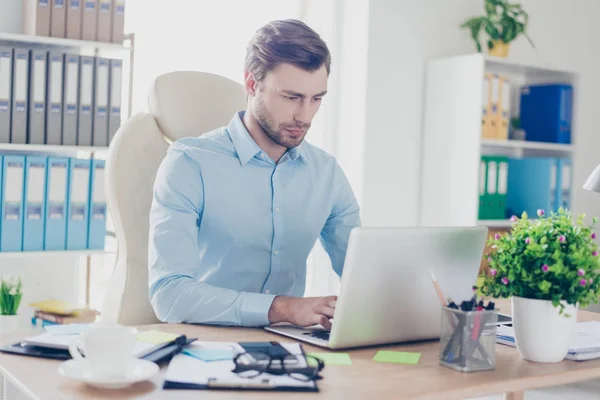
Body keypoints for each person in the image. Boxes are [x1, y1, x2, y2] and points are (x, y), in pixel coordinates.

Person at [148, 19, 360, 330]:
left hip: (287, 350)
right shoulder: (189, 163)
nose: (305, 116)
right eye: (291, 97)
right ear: (251, 84)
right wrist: (282, 307)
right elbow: (168, 295)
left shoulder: (326, 173)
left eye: (316, 99)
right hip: (204, 344)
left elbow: (363, 275)